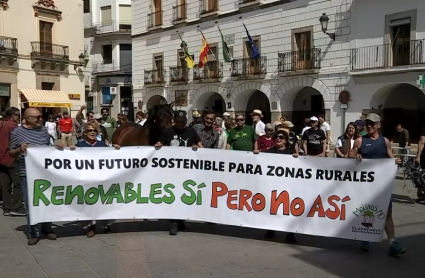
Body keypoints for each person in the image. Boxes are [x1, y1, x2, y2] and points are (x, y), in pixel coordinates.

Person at [350, 113, 406, 256]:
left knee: (387, 214)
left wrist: (396, 161)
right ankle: (364, 239)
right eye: (367, 123)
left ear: (378, 125)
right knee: (365, 212)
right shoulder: (360, 140)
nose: (369, 125)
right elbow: (349, 157)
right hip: (365, 186)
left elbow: (391, 157)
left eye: (372, 123)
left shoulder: (385, 141)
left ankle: (393, 243)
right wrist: (355, 156)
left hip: (382, 186)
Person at [9, 108, 56, 245]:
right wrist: (19, 150)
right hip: (27, 174)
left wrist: (57, 149)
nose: (40, 119)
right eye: (37, 117)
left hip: (45, 172)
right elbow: (11, 152)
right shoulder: (17, 133)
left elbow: (48, 148)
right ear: (27, 118)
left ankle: (47, 229)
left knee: (47, 201)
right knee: (31, 204)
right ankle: (33, 233)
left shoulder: (43, 131)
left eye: (41, 117)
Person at [155, 110, 203, 235]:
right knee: (174, 196)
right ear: (174, 121)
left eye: (182, 122)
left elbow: (200, 145)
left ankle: (180, 221)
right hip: (171, 171)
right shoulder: (168, 132)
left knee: (183, 196)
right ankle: (174, 223)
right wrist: (154, 148)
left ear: (185, 122)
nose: (180, 124)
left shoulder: (191, 131)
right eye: (178, 122)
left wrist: (198, 148)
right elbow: (159, 144)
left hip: (187, 171)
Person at [72, 120, 117, 237]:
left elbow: (112, 157)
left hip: (102, 178)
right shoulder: (80, 146)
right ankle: (91, 226)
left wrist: (117, 149)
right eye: (89, 130)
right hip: (87, 179)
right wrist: (65, 150)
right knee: (90, 203)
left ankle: (106, 224)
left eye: (94, 130)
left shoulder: (102, 144)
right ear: (84, 133)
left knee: (104, 202)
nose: (92, 132)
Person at [263, 128, 298, 243]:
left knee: (288, 209)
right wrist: (256, 154)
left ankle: (290, 233)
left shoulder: (291, 152)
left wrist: (298, 158)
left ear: (286, 140)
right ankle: (270, 229)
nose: (278, 139)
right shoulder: (269, 152)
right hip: (272, 185)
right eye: (276, 137)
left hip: (287, 185)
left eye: (281, 137)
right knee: (271, 207)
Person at [0, 107, 25, 217]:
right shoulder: (13, 126)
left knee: (5, 185)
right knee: (17, 184)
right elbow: (18, 141)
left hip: (1, 159)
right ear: (12, 116)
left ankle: (7, 208)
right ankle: (17, 207)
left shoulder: (1, 124)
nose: (18, 117)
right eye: (17, 115)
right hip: (11, 157)